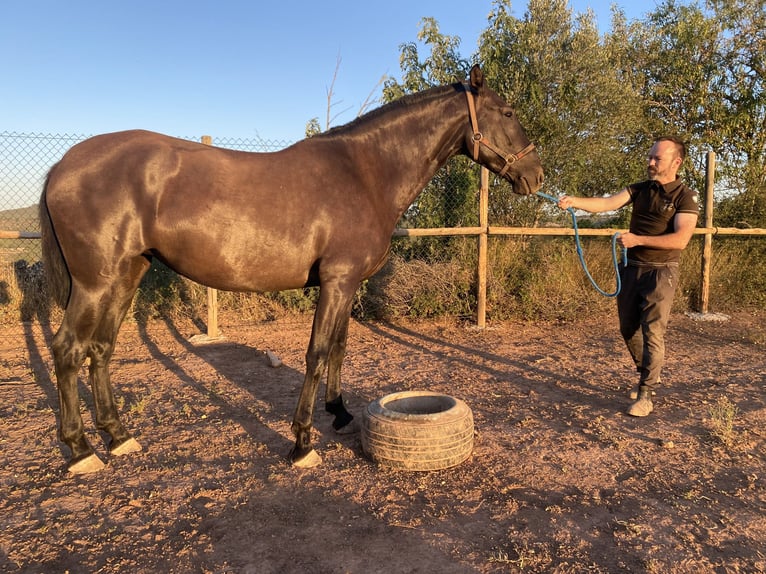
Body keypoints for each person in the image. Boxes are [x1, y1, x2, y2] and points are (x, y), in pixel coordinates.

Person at [558, 136, 699, 417]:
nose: (650, 162)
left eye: (657, 158)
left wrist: (638, 240)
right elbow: (608, 203)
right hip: (631, 268)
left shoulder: (685, 196)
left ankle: (645, 394)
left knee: (653, 332)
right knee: (628, 328)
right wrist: (576, 201)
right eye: (650, 157)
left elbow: (681, 240)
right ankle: (646, 372)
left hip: (661, 273)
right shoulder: (639, 189)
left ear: (676, 162)